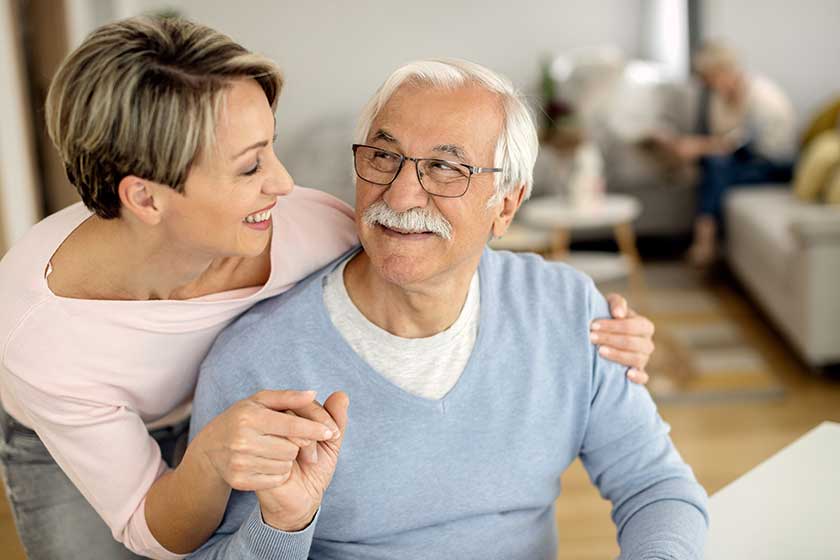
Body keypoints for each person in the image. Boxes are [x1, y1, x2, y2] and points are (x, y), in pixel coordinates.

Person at [0, 16, 655, 560]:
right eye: (251, 165)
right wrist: (209, 462)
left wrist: (590, 324)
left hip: (233, 409)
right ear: (145, 198)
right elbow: (152, 528)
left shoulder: (311, 227)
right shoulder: (42, 338)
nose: (284, 184)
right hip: (93, 433)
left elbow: (435, 247)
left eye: (272, 148)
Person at [188, 59, 709, 560]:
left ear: (506, 204)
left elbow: (655, 484)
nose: (402, 194)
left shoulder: (568, 311)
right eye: (383, 157)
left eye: (444, 167)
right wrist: (282, 527)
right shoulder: (254, 360)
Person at [651, 41, 797, 266]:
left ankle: (705, 237)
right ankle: (706, 237)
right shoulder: (717, 96)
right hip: (745, 159)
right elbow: (722, 139)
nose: (706, 84)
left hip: (774, 164)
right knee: (713, 164)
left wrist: (698, 146)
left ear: (725, 71)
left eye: (709, 77)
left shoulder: (761, 96)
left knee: (717, 166)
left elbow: (742, 143)